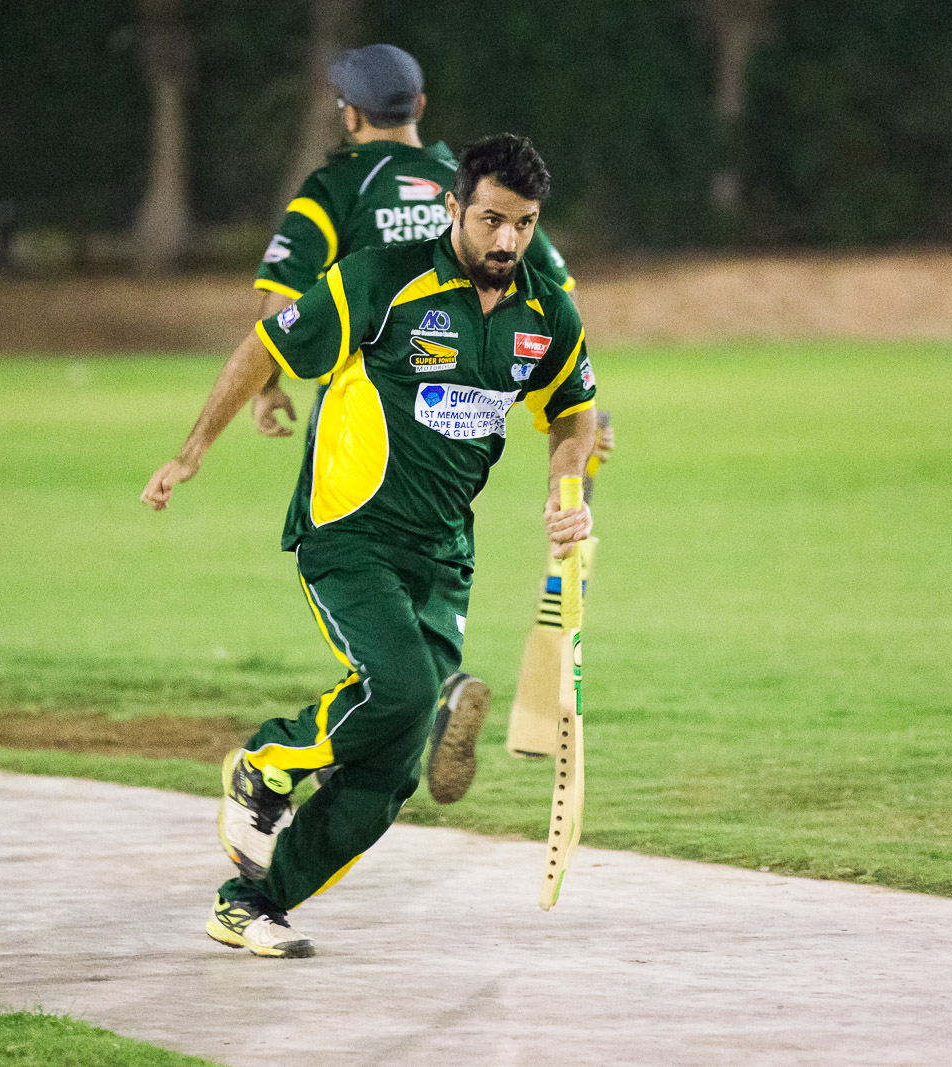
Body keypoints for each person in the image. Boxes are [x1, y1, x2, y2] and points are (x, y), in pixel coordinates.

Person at [141, 134, 597, 958]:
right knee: (404, 689)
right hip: (349, 534)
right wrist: (193, 449)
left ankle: (251, 903)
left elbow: (574, 411)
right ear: (454, 206)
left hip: (444, 555)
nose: (507, 240)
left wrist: (564, 489)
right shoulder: (383, 279)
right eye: (492, 219)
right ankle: (267, 760)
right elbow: (268, 344)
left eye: (525, 224)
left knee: (391, 770)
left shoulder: (546, 312)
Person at [248, 43, 585, 806]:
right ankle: (417, 700)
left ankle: (413, 703)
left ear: (350, 115)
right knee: (411, 595)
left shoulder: (336, 186)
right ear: (420, 107)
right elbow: (555, 294)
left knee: (362, 587)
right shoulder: (470, 184)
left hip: (369, 413)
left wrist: (269, 387)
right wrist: (580, 413)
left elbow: (280, 303)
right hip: (471, 416)